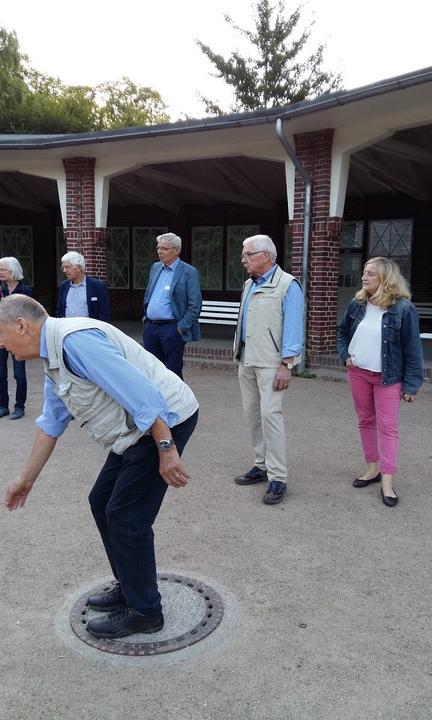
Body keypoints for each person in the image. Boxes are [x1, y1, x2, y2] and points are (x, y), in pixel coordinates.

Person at [2, 294, 199, 639]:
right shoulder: (54, 358)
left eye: (1, 334)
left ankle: (145, 611)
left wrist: (166, 448)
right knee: (101, 501)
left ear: (21, 324)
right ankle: (130, 585)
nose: (2, 345)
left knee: (126, 516)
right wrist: (25, 480)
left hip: (164, 421)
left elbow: (142, 393)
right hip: (137, 430)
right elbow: (51, 423)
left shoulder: (75, 341)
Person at [337, 257, 424, 507]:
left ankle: (387, 481)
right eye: (364, 272)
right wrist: (345, 357)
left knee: (388, 428)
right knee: (365, 420)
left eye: (370, 273)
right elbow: (342, 332)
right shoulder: (357, 303)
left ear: (385, 278)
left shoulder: (403, 308)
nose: (364, 277)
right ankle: (372, 468)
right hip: (359, 373)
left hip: (389, 377)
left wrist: (411, 385)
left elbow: (413, 349)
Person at [233, 234, 304, 505]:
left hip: (272, 363)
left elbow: (294, 328)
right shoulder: (248, 284)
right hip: (247, 359)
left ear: (267, 256)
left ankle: (278, 477)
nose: (244, 259)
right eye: (244, 255)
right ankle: (261, 465)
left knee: (270, 416)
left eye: (249, 254)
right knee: (253, 415)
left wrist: (287, 364)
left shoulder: (288, 285)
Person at [143, 232, 202, 379]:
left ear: (176, 250)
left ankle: (176, 402)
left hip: (172, 328)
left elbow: (195, 304)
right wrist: (145, 318)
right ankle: (156, 402)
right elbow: (149, 294)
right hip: (151, 327)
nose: (159, 251)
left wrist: (180, 328)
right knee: (151, 370)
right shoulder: (155, 268)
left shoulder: (189, 272)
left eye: (164, 248)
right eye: (158, 248)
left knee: (172, 372)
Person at [0, 257, 33, 420]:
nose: (0, 272)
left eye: (3, 269)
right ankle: (3, 406)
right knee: (0, 374)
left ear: (13, 271)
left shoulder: (26, 292)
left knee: (19, 373)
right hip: (1, 339)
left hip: (19, 339)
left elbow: (29, 317)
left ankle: (19, 406)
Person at [57, 251, 111, 322]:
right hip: (68, 330)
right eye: (63, 267)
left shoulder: (98, 286)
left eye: (67, 267)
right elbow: (60, 311)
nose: (64, 271)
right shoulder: (63, 286)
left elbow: (104, 314)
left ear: (79, 267)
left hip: (89, 331)